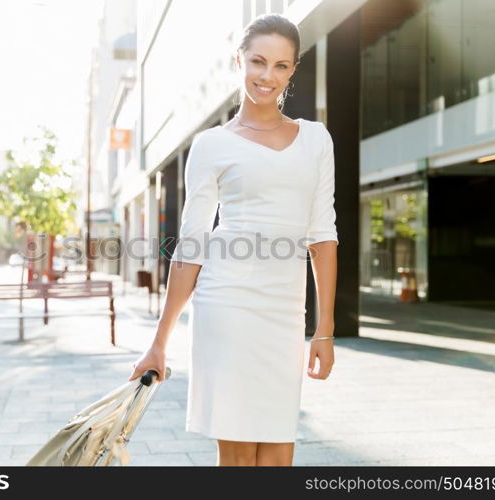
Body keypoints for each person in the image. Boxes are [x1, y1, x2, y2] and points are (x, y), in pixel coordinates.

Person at [127, 13, 338, 467]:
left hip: (284, 312)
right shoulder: (211, 145)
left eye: (281, 66)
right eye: (258, 61)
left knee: (279, 458)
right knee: (239, 459)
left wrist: (325, 328)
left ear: (293, 70)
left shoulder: (317, 140)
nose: (267, 76)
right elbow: (191, 246)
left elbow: (323, 235)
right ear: (238, 59)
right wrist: (160, 342)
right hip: (227, 305)